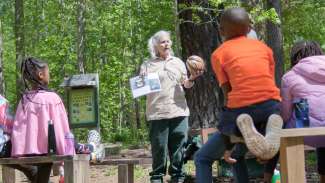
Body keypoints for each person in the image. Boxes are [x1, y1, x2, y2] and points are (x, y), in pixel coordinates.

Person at [194, 7, 283, 183]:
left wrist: (228, 134)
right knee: (236, 154)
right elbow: (269, 83)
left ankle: (238, 133)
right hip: (271, 107)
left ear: (221, 30)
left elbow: (227, 92)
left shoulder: (219, 54)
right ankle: (262, 136)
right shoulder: (265, 49)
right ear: (249, 28)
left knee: (202, 158)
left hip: (241, 110)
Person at [140, 30, 202, 183]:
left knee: (178, 151)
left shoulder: (178, 62)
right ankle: (157, 178)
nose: (166, 44)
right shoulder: (147, 65)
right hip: (157, 113)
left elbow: (185, 84)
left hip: (179, 112)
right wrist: (142, 81)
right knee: (159, 150)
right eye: (162, 42)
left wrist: (192, 78)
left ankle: (178, 178)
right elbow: (141, 88)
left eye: (168, 41)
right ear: (155, 45)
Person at [264, 41, 325, 183]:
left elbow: (285, 114)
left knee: (280, 128)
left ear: (295, 58)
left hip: (304, 130)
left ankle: (267, 177)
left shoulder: (289, 76)